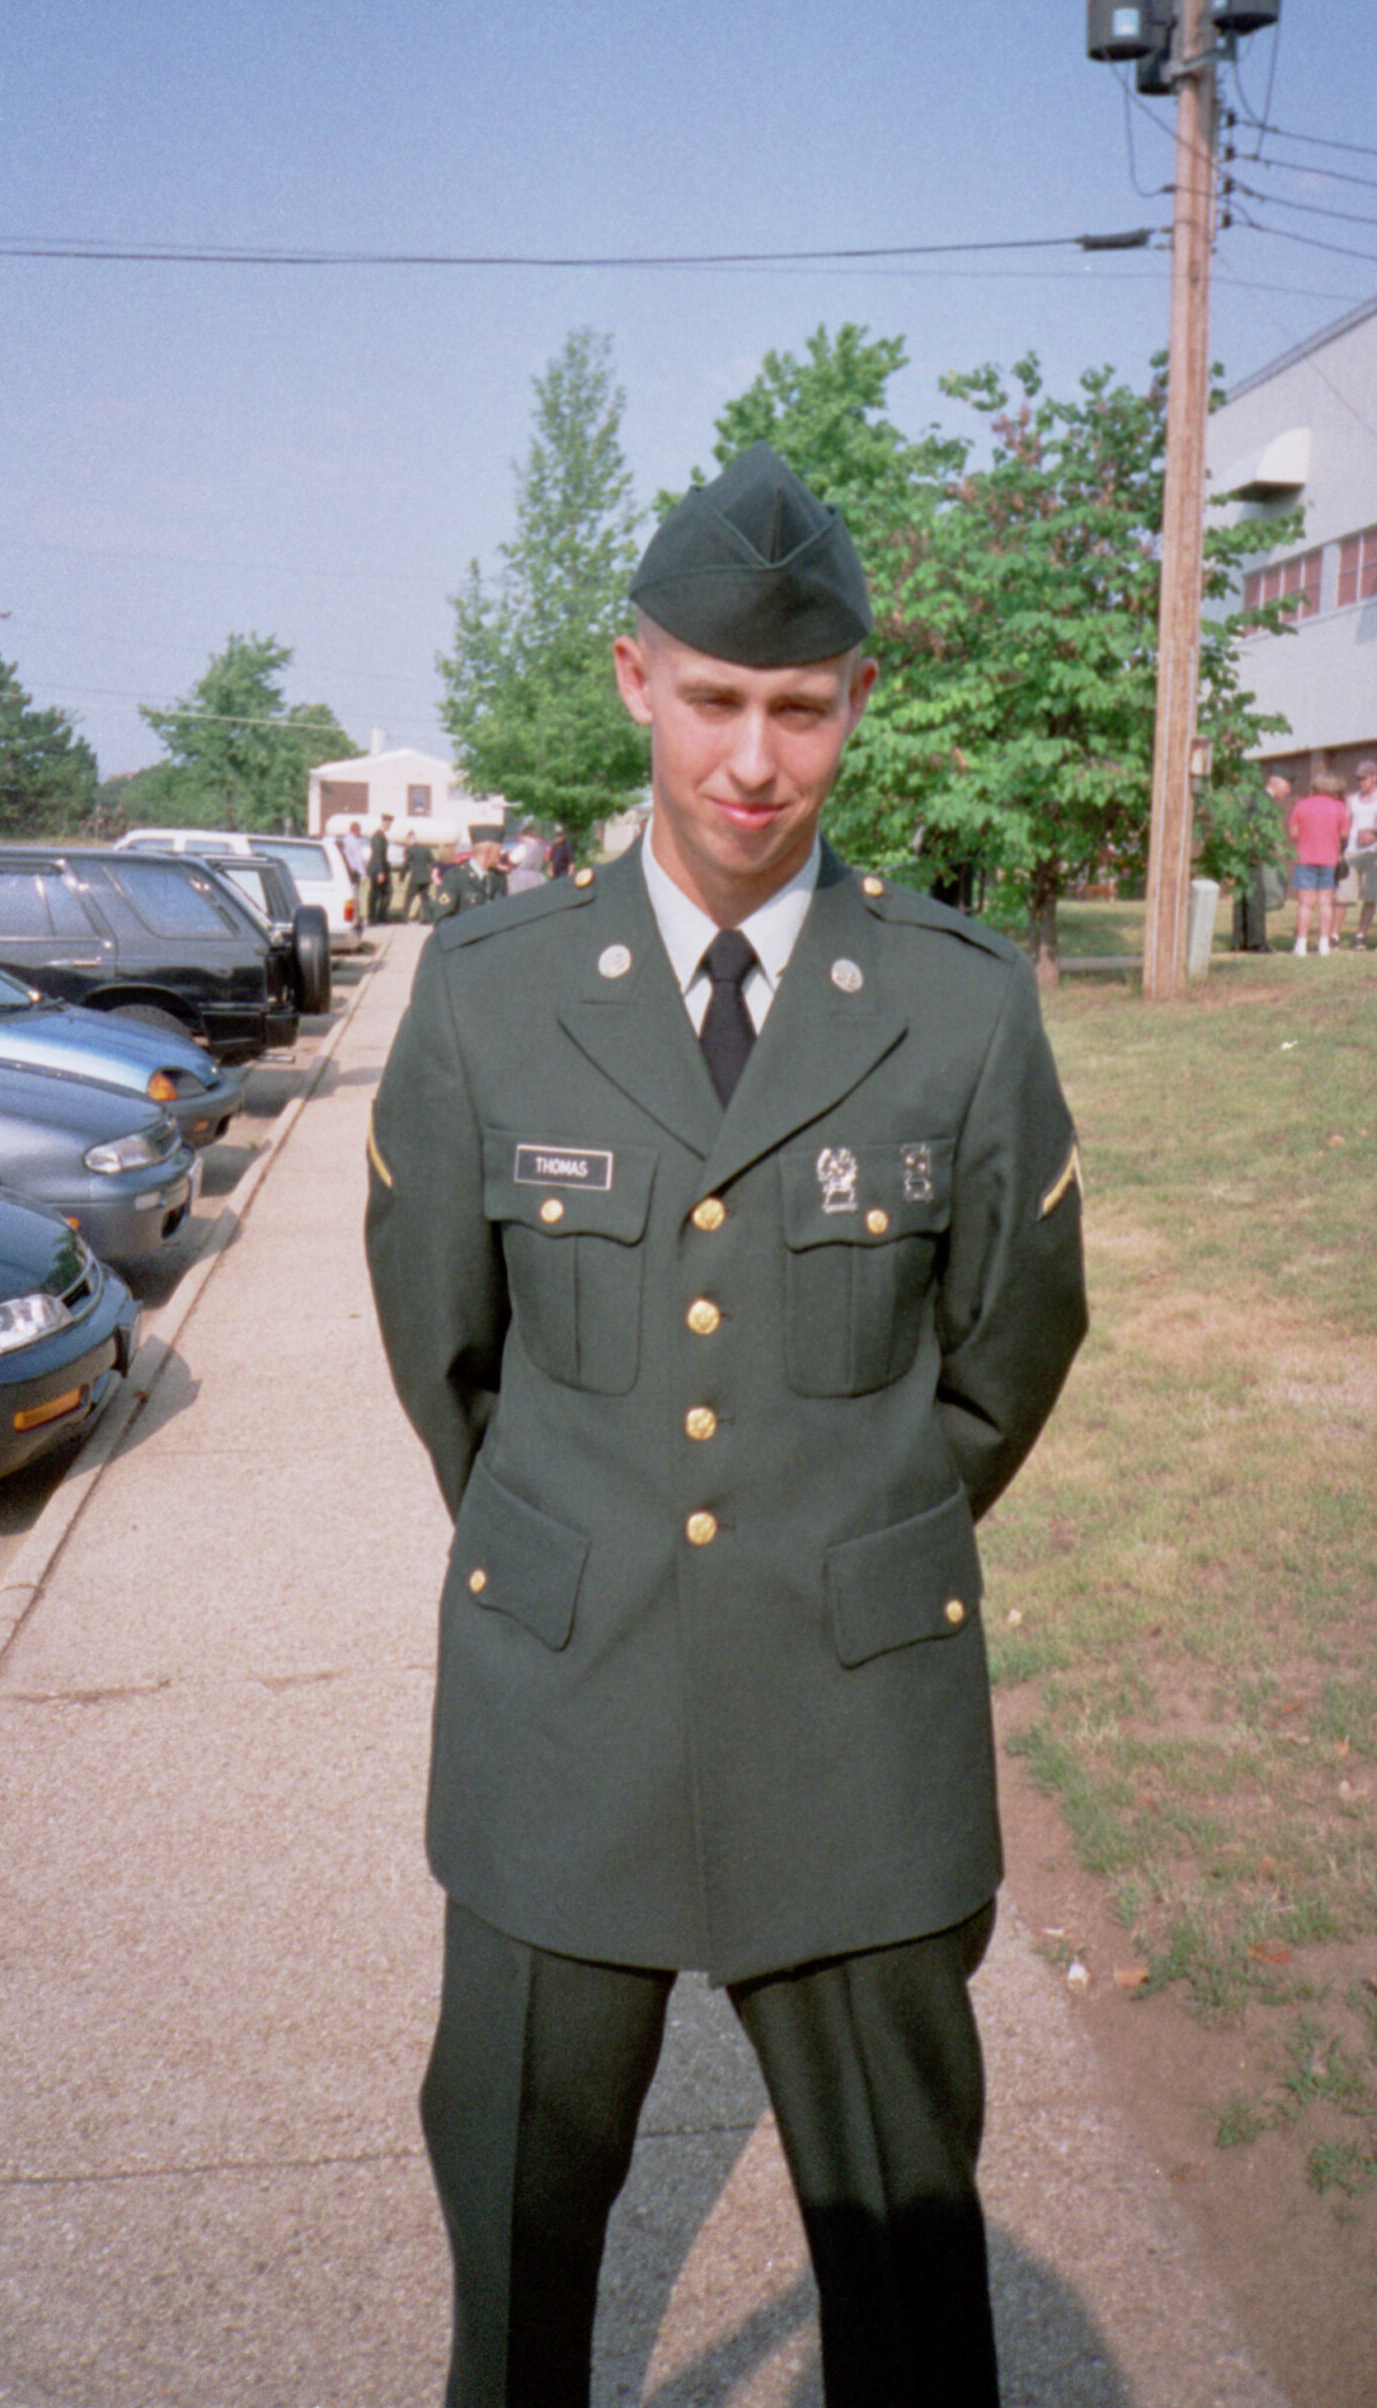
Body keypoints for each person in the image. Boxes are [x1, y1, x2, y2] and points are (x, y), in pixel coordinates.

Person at [366, 444, 1088, 2408]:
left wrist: (858, 1520)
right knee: (515, 2264)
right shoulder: (489, 992)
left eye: (798, 706)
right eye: (711, 699)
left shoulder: (958, 1003)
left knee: (908, 2287)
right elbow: (447, 1353)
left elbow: (1010, 1343)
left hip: (853, 1735)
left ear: (856, 698)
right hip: (563, 1722)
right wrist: (574, 1533)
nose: (752, 761)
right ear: (635, 679)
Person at [1287, 773, 1350, 956]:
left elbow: (1293, 834)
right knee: (1326, 903)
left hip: (1305, 857)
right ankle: (1324, 944)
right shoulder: (1339, 807)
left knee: (1305, 904)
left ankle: (1301, 944)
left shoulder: (1302, 805)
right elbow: (1345, 834)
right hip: (1329, 858)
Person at [1231, 768, 1292, 952]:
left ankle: (1239, 940)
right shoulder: (1265, 801)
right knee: (1255, 897)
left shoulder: (1255, 797)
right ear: (1276, 783)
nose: (1288, 791)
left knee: (1242, 896)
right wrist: (1259, 850)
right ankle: (1256, 942)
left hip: (1242, 851)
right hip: (1253, 853)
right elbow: (1258, 827)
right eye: (1287, 786)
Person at [1335, 759, 1377, 947]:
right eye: (1358, 778)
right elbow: (1345, 824)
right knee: (1342, 895)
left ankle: (1361, 935)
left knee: (1370, 895)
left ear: (1374, 777)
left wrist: (1374, 834)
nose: (1361, 782)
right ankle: (1334, 935)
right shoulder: (1352, 799)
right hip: (1352, 851)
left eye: (1364, 778)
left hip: (1373, 852)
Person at [427, 825, 508, 921]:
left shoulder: (496, 879)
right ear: (488, 852)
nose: (501, 854)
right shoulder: (455, 878)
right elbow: (442, 920)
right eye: (499, 851)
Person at [366, 813, 395, 924]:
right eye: (389, 823)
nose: (390, 826)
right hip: (377, 868)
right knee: (376, 893)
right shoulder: (378, 836)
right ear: (384, 822)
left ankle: (380, 916)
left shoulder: (380, 835)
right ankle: (373, 917)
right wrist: (380, 872)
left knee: (384, 892)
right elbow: (378, 854)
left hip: (381, 867)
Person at [403, 829, 436, 924]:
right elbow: (433, 862)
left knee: (409, 898)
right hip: (426, 878)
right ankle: (427, 918)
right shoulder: (426, 849)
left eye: (407, 841)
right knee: (425, 899)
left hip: (415, 878)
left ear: (410, 840)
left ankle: (404, 918)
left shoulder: (410, 850)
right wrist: (431, 874)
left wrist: (402, 877)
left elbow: (405, 864)